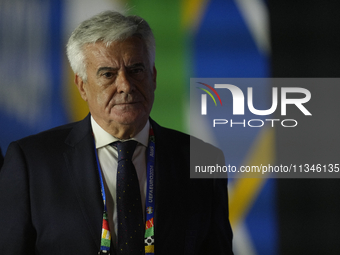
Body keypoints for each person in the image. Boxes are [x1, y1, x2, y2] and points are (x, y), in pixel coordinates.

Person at [0, 11, 233, 255]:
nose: (125, 85)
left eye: (136, 70)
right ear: (82, 86)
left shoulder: (203, 160)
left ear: (153, 77)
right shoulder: (31, 162)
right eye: (108, 74)